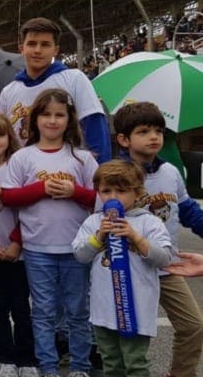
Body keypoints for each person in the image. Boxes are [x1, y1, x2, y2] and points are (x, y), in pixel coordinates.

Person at [1, 88, 98, 377]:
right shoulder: (22, 157)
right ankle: (48, 367)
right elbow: (8, 197)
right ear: (35, 120)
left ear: (70, 120)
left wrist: (74, 191)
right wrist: (41, 189)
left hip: (76, 249)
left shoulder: (81, 158)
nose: (53, 121)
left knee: (78, 312)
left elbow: (100, 199)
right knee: (42, 312)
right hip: (37, 249)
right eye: (46, 114)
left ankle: (80, 366)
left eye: (60, 115)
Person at [112, 101, 203, 376]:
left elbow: (188, 211)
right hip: (129, 269)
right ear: (124, 139)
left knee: (193, 326)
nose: (154, 137)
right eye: (144, 131)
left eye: (159, 131)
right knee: (131, 339)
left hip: (167, 266)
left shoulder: (170, 172)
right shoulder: (114, 174)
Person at [72, 160, 172, 377]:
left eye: (121, 190)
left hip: (135, 309)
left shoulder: (149, 223)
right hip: (103, 310)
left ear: (137, 194)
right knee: (111, 363)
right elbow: (80, 255)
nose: (113, 197)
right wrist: (99, 237)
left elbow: (164, 258)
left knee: (135, 363)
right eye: (106, 191)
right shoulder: (94, 222)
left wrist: (136, 238)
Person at [0, 111, 39, 377]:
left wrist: (18, 242)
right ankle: (5, 358)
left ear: (9, 137)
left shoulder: (18, 166)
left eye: (0, 134)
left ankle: (27, 359)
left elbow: (32, 210)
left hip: (18, 251)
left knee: (22, 306)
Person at [0, 17, 111, 164]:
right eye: (31, 44)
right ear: (21, 49)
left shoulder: (74, 79)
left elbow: (94, 126)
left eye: (45, 45)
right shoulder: (8, 92)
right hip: (23, 178)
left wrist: (101, 172)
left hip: (68, 176)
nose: (37, 50)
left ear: (55, 50)